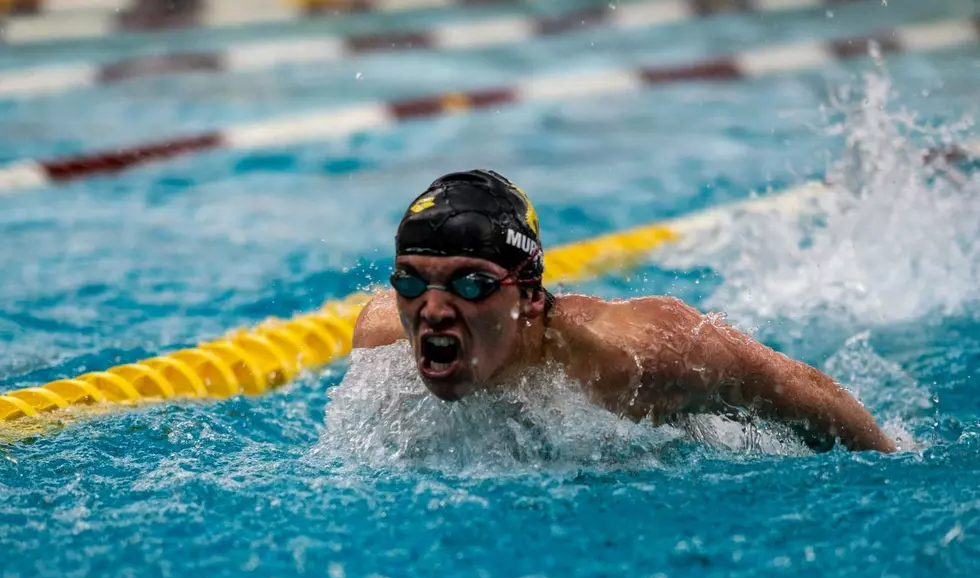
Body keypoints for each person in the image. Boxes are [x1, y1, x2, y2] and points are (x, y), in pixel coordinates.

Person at [351, 169, 898, 454]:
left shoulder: (640, 357)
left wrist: (890, 470)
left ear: (531, 297)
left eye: (471, 284)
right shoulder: (382, 339)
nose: (433, 310)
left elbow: (800, 388)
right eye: (411, 280)